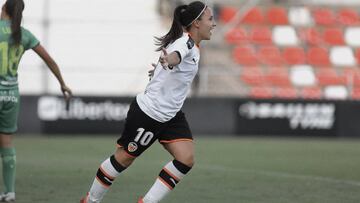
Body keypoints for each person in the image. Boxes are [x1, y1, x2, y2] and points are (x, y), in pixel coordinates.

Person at [81, 1, 216, 203]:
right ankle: (90, 200)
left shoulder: (193, 47)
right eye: (210, 19)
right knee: (123, 158)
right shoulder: (185, 43)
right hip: (149, 114)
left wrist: (161, 69)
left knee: (186, 159)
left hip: (171, 115)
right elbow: (177, 56)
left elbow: (175, 65)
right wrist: (169, 61)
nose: (213, 24)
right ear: (196, 23)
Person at [0, 0, 72, 201]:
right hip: (11, 95)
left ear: (3, 9)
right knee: (6, 142)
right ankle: (10, 192)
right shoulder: (24, 34)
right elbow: (49, 60)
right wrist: (62, 83)